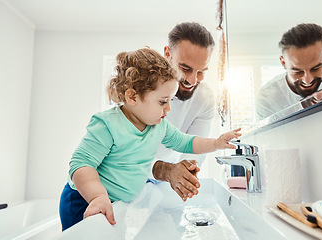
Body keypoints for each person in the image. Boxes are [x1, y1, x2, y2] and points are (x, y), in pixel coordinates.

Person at [59, 48, 241, 231]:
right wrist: (97, 196)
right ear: (132, 96)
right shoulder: (108, 125)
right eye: (163, 101)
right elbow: (81, 164)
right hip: (83, 200)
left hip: (115, 202)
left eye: (171, 100)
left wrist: (216, 143)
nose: (168, 108)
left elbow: (187, 142)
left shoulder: (158, 126)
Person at [151, 22, 216, 200]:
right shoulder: (142, 89)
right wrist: (168, 171)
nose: (192, 80)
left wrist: (186, 173)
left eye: (201, 72)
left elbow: (194, 149)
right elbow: (127, 157)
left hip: (151, 184)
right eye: (185, 68)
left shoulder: (204, 98)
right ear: (167, 54)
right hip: (99, 188)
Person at [256, 23, 322, 120]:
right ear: (283, 62)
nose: (308, 80)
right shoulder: (268, 98)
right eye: (297, 71)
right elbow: (267, 135)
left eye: (315, 69)